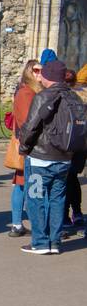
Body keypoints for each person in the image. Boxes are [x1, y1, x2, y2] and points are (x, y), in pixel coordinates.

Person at [18, 59, 78, 255]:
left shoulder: (43, 97)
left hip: (40, 159)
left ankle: (41, 242)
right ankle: (54, 241)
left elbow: (31, 126)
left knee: (35, 198)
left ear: (48, 77)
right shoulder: (74, 97)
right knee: (57, 199)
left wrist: (24, 147)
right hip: (64, 159)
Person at [8, 60, 42, 237]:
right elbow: (28, 122)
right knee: (28, 185)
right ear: (29, 72)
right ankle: (29, 224)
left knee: (22, 184)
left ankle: (17, 224)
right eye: (35, 70)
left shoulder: (31, 91)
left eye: (41, 71)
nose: (39, 74)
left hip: (27, 144)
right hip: (28, 146)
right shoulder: (26, 93)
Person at [67, 69, 87, 228]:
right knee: (72, 177)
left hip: (66, 143)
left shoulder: (65, 97)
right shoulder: (84, 96)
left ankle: (64, 215)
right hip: (82, 144)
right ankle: (77, 213)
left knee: (64, 179)